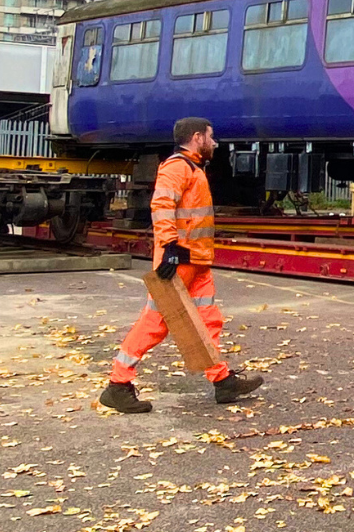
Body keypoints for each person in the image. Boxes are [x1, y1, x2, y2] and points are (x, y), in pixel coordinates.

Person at [101, 117, 262, 413]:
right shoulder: (177, 167)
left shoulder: (192, 167)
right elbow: (162, 206)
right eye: (211, 137)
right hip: (178, 261)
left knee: (208, 320)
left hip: (196, 260)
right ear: (197, 137)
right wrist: (170, 248)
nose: (214, 142)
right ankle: (118, 385)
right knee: (156, 323)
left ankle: (223, 381)